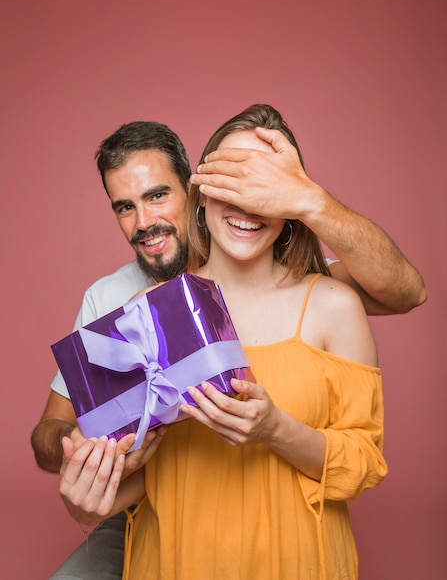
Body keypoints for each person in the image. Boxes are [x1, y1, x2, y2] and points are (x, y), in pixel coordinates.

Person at [32, 115, 426, 579]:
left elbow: (364, 458)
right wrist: (84, 490)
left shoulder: (334, 300)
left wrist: (278, 429)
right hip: (174, 556)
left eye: (266, 187)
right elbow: (129, 469)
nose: (248, 202)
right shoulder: (139, 311)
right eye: (233, 183)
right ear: (204, 194)